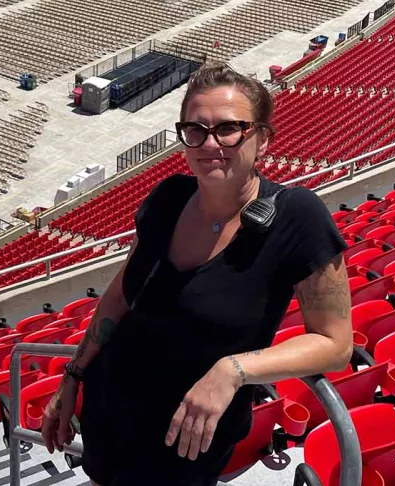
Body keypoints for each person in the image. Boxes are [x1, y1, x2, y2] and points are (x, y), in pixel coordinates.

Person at [40, 62, 353, 486]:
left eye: (228, 129)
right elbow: (120, 295)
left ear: (262, 139)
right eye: (196, 130)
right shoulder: (168, 198)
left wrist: (233, 370)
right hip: (109, 410)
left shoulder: (298, 217)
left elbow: (335, 344)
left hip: (188, 437)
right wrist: (73, 375)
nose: (210, 143)